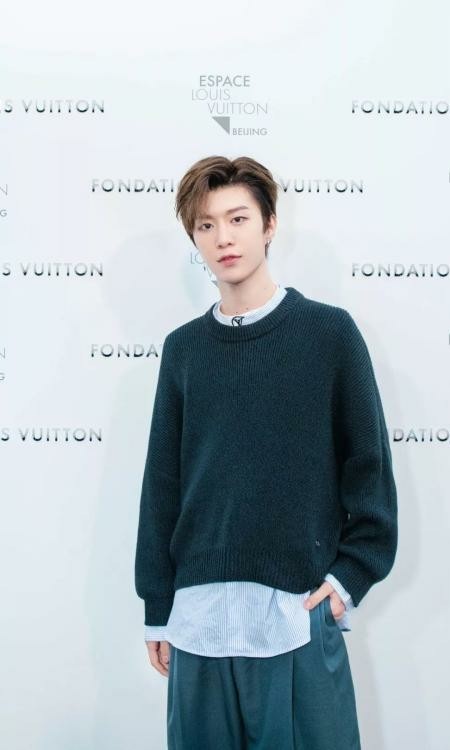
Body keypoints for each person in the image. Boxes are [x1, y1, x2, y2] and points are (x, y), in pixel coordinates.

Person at [134, 155, 398, 749]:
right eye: (206, 225)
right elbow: (162, 485)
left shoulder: (330, 334)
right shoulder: (183, 350)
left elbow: (369, 469)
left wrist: (349, 576)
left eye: (238, 219)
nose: (223, 238)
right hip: (198, 621)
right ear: (194, 239)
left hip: (295, 613)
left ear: (270, 224)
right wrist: (157, 605)